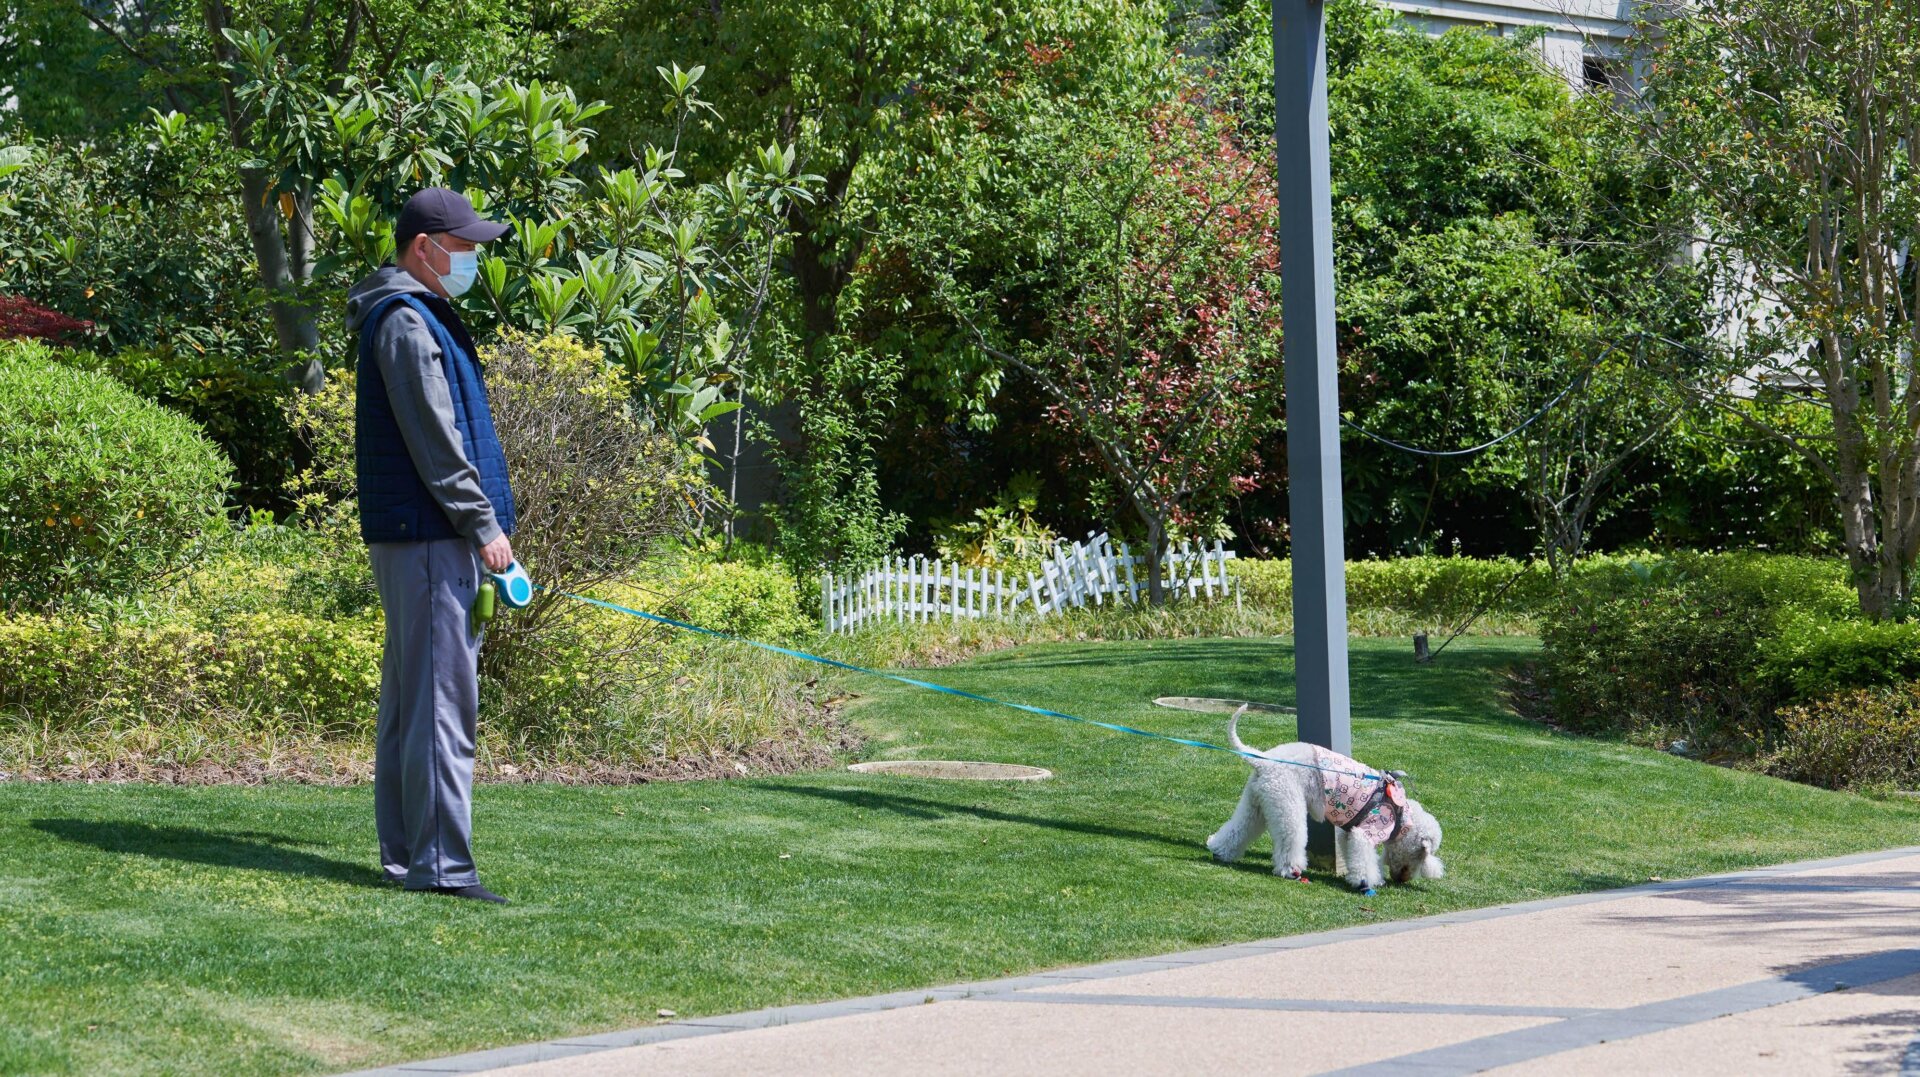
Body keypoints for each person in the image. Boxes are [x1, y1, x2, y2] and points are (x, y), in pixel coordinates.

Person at [344, 188, 516, 903]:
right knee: (443, 703)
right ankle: (440, 865)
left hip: (419, 536)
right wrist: (484, 525)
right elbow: (437, 445)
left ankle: (407, 855)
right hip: (429, 537)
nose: (473, 259)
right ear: (426, 248)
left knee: (413, 703)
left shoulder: (412, 315)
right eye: (466, 247)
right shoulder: (408, 323)